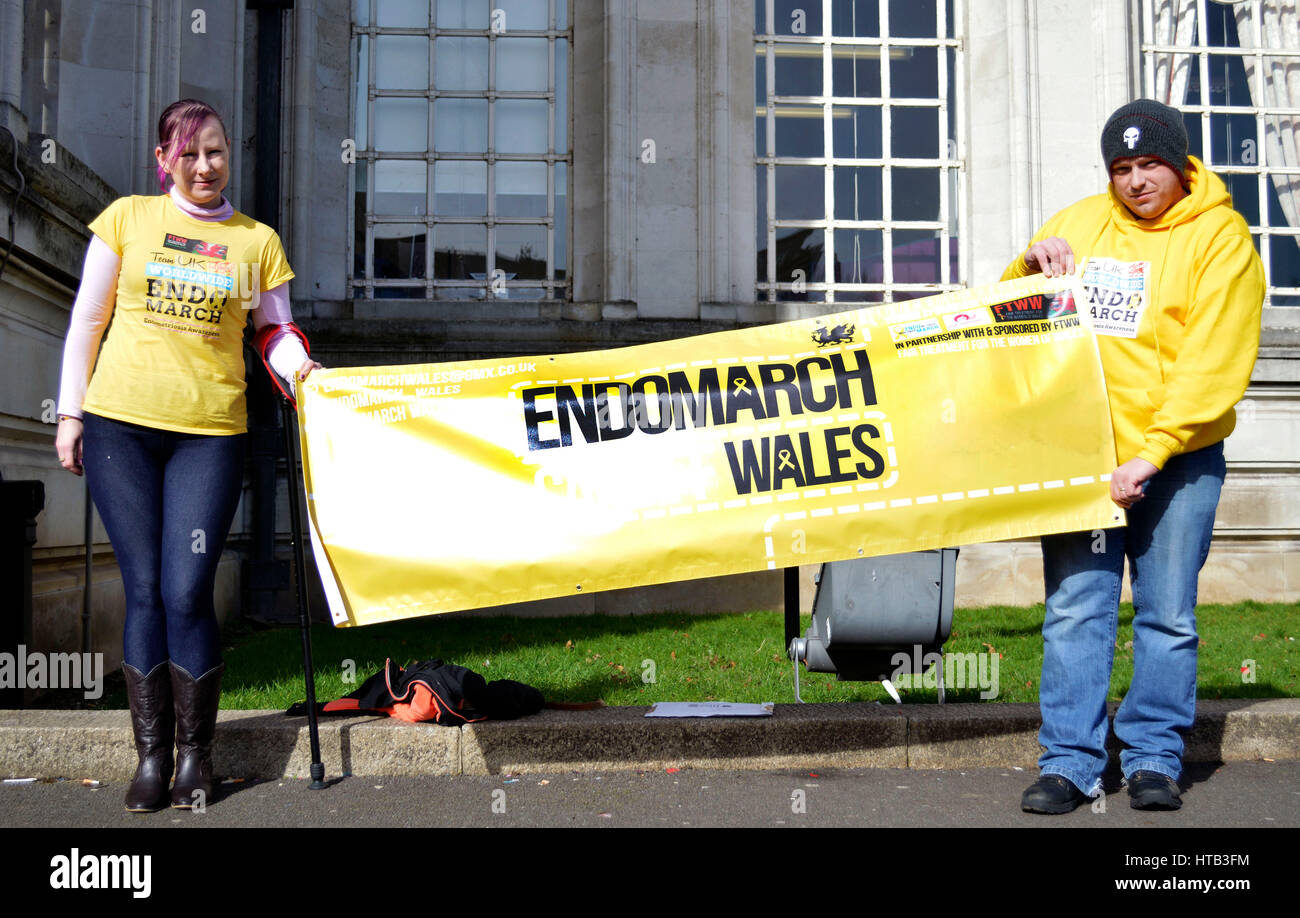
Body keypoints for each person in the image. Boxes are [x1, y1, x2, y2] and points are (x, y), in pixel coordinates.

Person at [54, 99, 321, 812]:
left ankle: (197, 759)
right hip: (121, 428)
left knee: (185, 590)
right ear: (163, 160)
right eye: (190, 153)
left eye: (217, 152)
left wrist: (301, 373)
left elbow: (275, 331)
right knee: (142, 589)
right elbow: (88, 320)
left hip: (210, 433)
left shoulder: (255, 240)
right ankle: (151, 757)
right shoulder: (127, 220)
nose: (205, 166)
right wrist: (71, 413)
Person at [1002, 99, 1264, 813]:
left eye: (1150, 164)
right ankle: (1071, 763)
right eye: (1122, 168)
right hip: (1086, 458)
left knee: (1167, 614)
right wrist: (1030, 268)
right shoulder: (1075, 224)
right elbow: (1002, 323)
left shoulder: (1223, 240)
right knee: (1076, 610)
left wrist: (1150, 454)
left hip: (1177, 460)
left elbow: (1213, 364)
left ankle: (1152, 756)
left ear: (1180, 164)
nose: (1136, 181)